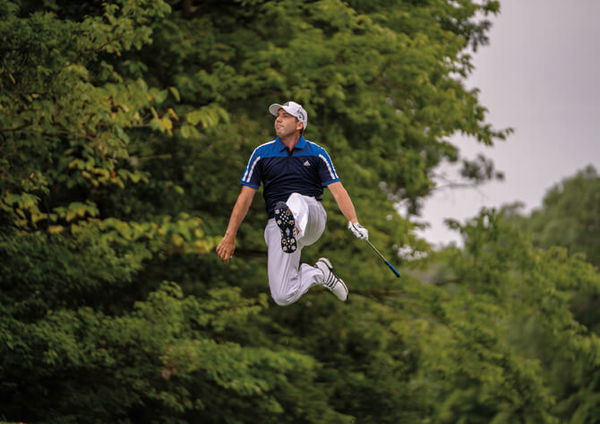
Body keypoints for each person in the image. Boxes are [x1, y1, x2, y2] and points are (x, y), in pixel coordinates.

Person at [216, 101, 368, 306]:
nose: (278, 119)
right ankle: (320, 274)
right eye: (277, 116)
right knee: (282, 296)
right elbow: (245, 197)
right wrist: (229, 236)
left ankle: (290, 226)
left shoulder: (317, 153)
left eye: (285, 116)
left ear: (299, 124)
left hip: (312, 216)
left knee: (295, 199)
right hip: (279, 227)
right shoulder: (261, 154)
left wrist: (353, 221)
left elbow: (337, 189)